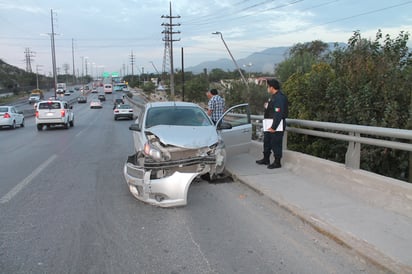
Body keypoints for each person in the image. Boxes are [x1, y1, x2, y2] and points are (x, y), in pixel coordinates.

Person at [256, 78, 288, 169]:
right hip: (269, 123)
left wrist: (274, 127)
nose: (267, 88)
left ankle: (277, 162)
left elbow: (278, 113)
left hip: (276, 125)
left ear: (272, 87)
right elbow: (272, 109)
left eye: (268, 86)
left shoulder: (279, 97)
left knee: (276, 143)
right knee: (267, 142)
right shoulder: (273, 96)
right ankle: (266, 159)